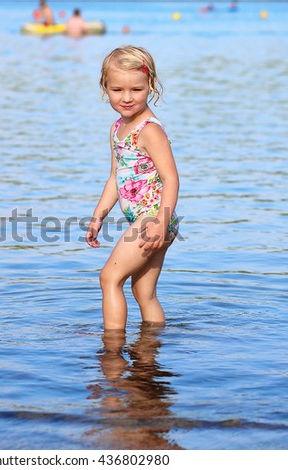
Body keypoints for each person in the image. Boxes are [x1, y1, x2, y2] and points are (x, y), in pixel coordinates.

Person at [86, 46, 179, 331]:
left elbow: (171, 178)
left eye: (136, 90)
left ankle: (112, 351)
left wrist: (161, 222)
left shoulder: (150, 130)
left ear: (150, 86)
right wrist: (98, 215)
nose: (126, 98)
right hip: (155, 221)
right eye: (117, 89)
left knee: (109, 278)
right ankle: (151, 348)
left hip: (153, 219)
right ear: (105, 87)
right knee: (143, 292)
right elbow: (116, 177)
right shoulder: (117, 129)